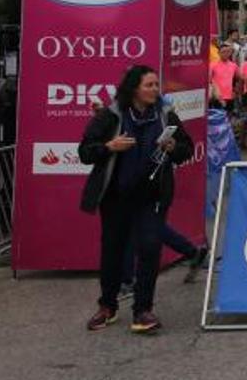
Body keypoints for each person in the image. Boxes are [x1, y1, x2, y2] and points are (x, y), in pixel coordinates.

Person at [80, 65, 193, 334]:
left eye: (157, 85)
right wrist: (109, 147)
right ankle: (107, 306)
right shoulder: (111, 116)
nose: (155, 90)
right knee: (113, 251)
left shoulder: (166, 115)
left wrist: (173, 147)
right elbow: (85, 151)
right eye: (149, 85)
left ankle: (143, 310)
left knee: (150, 247)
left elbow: (187, 149)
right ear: (133, 89)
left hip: (152, 195)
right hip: (117, 196)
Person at [208, 43, 238, 112]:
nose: (225, 54)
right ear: (219, 53)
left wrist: (235, 91)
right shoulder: (212, 65)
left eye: (227, 51)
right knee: (219, 118)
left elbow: (237, 79)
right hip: (217, 97)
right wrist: (215, 95)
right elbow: (209, 82)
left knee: (229, 117)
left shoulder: (234, 65)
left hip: (230, 96)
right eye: (223, 52)